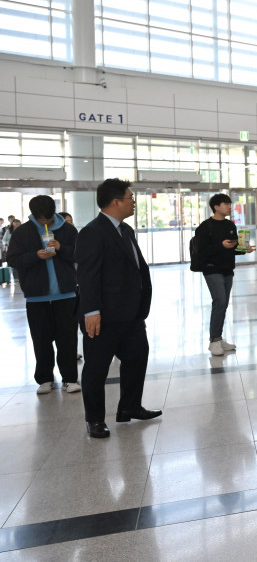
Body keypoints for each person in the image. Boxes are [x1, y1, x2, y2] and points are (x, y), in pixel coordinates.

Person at [76, 178, 161, 439]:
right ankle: (94, 420)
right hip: (104, 315)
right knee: (96, 368)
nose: (133, 202)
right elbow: (88, 276)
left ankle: (129, 407)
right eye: (129, 197)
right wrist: (91, 311)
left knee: (137, 357)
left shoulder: (126, 230)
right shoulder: (92, 232)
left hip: (131, 313)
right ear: (115, 202)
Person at [6, 195, 80, 394]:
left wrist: (61, 248)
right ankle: (45, 378)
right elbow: (13, 259)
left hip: (65, 294)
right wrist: (35, 255)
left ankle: (70, 378)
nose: (45, 222)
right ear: (34, 215)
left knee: (67, 338)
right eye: (41, 220)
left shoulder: (67, 230)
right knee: (41, 339)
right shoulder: (23, 232)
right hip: (37, 296)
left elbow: (80, 254)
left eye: (48, 218)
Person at [195, 193, 254, 356]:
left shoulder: (230, 225)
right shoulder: (205, 227)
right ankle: (214, 340)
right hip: (211, 269)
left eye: (230, 204)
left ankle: (218, 338)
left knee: (224, 303)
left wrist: (244, 249)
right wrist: (221, 245)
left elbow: (233, 248)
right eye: (226, 204)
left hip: (227, 269)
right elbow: (202, 251)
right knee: (220, 301)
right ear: (216, 207)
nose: (229, 207)